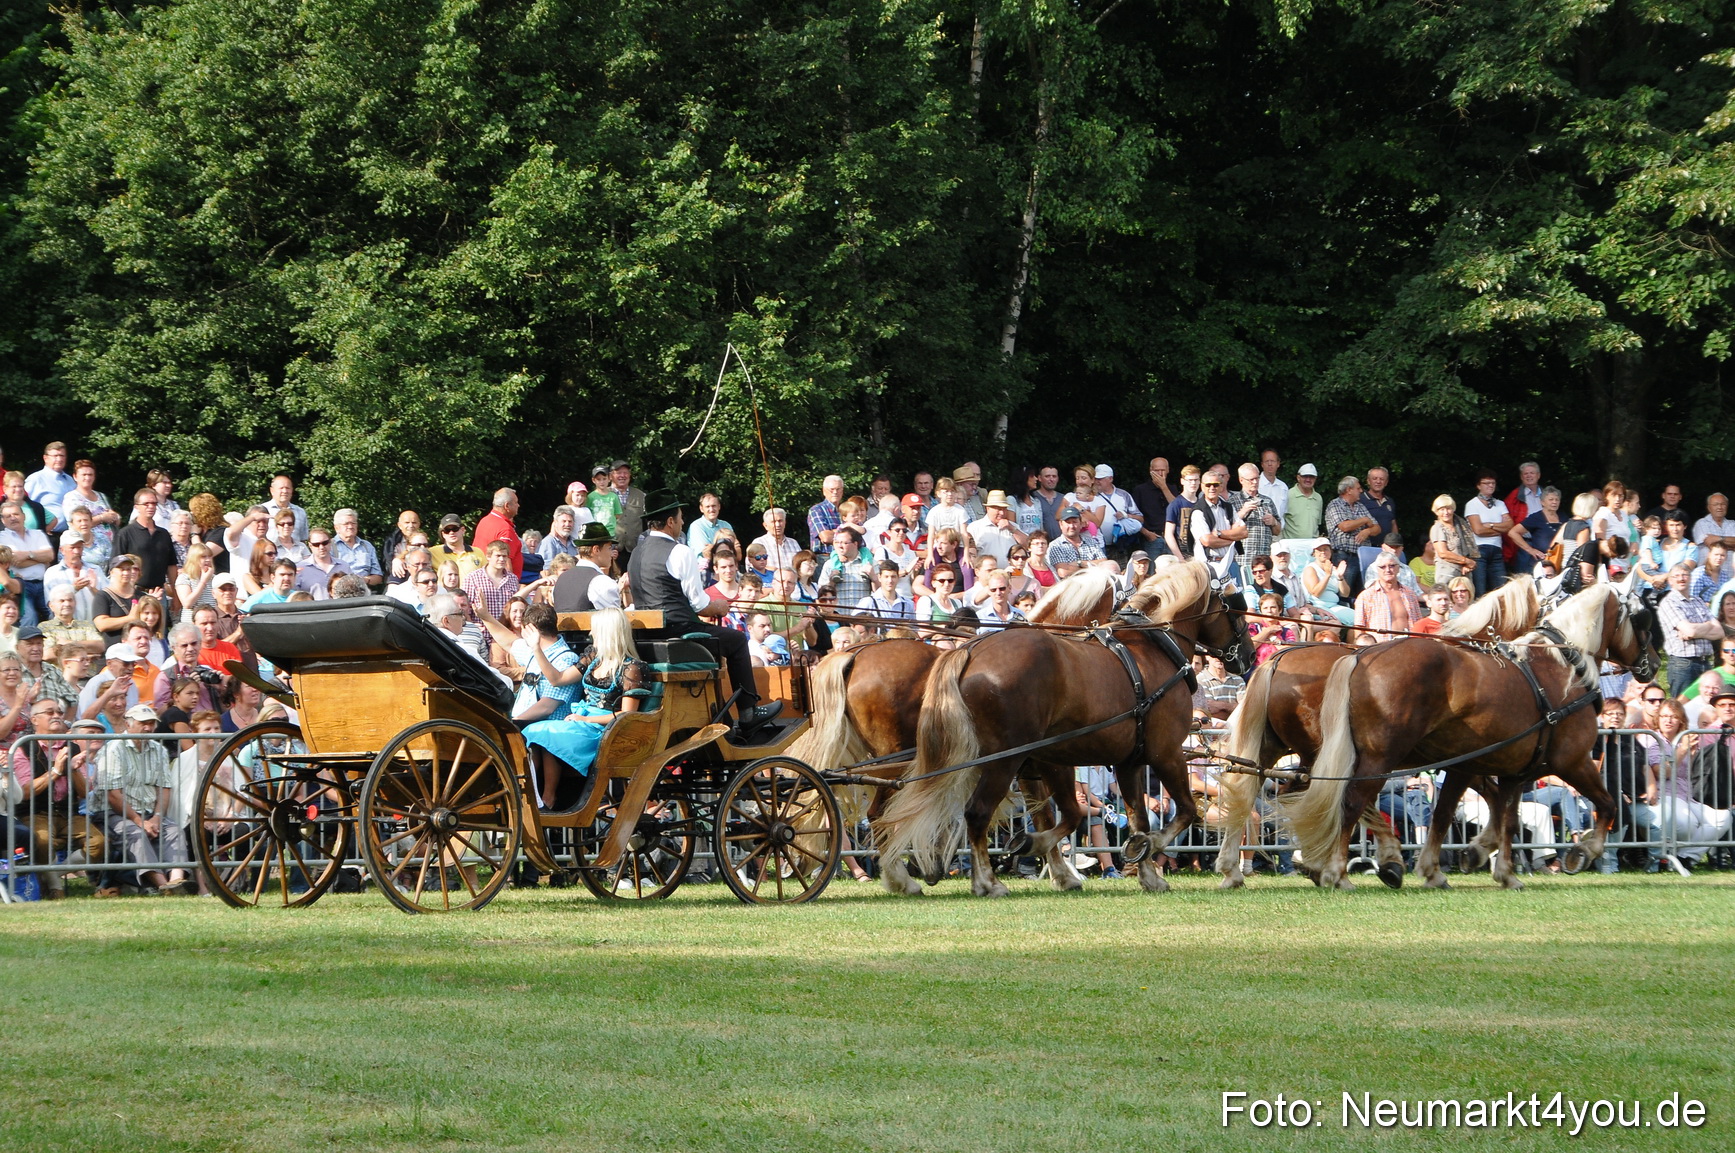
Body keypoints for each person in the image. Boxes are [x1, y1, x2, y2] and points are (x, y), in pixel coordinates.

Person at [626, 492, 781, 732]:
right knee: (738, 640)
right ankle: (748, 712)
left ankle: (721, 714)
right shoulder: (680, 551)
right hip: (679, 636)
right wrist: (719, 606)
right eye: (679, 518)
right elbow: (699, 604)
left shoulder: (636, 553)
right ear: (670, 521)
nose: (681, 522)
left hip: (647, 638)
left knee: (723, 639)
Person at [90, 703, 190, 894]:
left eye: (151, 723)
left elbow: (164, 788)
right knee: (135, 833)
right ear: (128, 725)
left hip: (150, 811)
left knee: (174, 830)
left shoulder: (158, 750)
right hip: (112, 813)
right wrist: (139, 821)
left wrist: (157, 818)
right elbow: (113, 795)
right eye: (143, 723)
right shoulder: (114, 749)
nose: (148, 727)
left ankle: (177, 881)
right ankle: (162, 885)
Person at [1658, 563, 1719, 696]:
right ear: (1670, 581)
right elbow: (1690, 631)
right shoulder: (1669, 602)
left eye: (1685, 575)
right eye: (1676, 576)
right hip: (1683, 666)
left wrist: (1695, 630)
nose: (1681, 578)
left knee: (1707, 707)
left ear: (1690, 578)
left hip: (1705, 663)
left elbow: (1719, 631)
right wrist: (1708, 626)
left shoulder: (1698, 601)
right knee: (1683, 710)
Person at [111, 488, 179, 596]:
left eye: (153, 503)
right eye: (146, 504)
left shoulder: (164, 534)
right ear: (136, 507)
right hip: (133, 592)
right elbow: (115, 565)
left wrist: (176, 595)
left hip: (160, 593)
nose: (151, 507)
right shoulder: (125, 533)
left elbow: (171, 566)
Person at [0, 499, 54, 626]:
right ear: (3, 521)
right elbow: (15, 561)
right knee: (29, 618)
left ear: (23, 516)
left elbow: (50, 555)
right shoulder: (2, 537)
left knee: (54, 613)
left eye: (16, 514)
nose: (13, 518)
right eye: (8, 516)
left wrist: (27, 555)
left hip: (43, 583)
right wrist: (41, 560)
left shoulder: (38, 534)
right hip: (21, 585)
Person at [1353, 555, 1424, 644]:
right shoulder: (1366, 596)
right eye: (1382, 567)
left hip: (1408, 647)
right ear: (1377, 570)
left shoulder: (1410, 594)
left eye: (1392, 566)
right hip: (1379, 649)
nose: (1387, 570)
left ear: (1398, 568)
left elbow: (1419, 623)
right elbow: (1359, 628)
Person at [1508, 486, 1565, 575]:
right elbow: (1513, 532)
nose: (1554, 502)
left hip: (1559, 561)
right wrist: (1531, 550)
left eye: (1557, 500)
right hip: (1541, 563)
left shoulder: (1564, 517)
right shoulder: (1536, 517)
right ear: (1542, 502)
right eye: (1551, 499)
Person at [470, 488, 525, 578]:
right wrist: (510, 586)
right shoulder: (504, 528)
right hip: (498, 583)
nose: (518, 505)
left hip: (482, 577)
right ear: (507, 506)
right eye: (516, 502)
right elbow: (505, 561)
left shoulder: (484, 521)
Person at [1300, 538, 1354, 628]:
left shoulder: (1334, 569)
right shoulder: (1310, 569)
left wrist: (1340, 577)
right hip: (1317, 607)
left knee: (1359, 618)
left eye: (1325, 549)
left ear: (1330, 551)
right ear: (1314, 553)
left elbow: (1345, 594)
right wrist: (1327, 575)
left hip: (1334, 605)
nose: (1323, 552)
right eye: (1319, 550)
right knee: (1340, 621)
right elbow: (1316, 592)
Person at [25, 442, 76, 533]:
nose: (59, 459)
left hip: (70, 535)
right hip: (48, 534)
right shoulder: (35, 479)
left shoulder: (70, 480)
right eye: (55, 456)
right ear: (45, 458)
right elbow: (25, 506)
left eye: (62, 455)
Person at [967, 490, 1026, 568]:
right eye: (998, 509)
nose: (1002, 513)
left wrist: (1012, 528)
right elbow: (970, 555)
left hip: (1012, 576)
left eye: (1004, 509)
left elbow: (1028, 545)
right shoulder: (975, 528)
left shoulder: (1013, 526)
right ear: (988, 508)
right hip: (988, 576)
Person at [293, 526, 352, 600]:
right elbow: (295, 597)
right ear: (310, 545)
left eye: (325, 543)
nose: (321, 547)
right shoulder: (300, 568)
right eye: (316, 544)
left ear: (330, 543)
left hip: (340, 609)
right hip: (313, 610)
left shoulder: (344, 566)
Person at [330, 508, 383, 589]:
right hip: (340, 591)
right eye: (346, 524)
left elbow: (378, 577)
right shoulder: (329, 546)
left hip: (365, 590)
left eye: (353, 523)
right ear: (337, 528)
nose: (350, 526)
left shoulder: (367, 546)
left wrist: (365, 580)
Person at [1047, 506, 1106, 579]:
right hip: (1070, 586)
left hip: (1094, 584)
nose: (1071, 526)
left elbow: (1104, 563)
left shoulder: (1092, 542)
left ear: (1081, 524)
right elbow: (1063, 572)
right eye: (1068, 523)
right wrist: (1092, 567)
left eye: (1074, 522)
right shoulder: (1055, 545)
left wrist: (1080, 563)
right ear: (1061, 524)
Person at [1131, 458, 1175, 555]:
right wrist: (1147, 534)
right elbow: (1133, 516)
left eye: (1162, 470)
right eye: (1156, 470)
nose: (1159, 474)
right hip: (1151, 539)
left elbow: (1176, 508)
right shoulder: (1140, 490)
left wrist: (1164, 487)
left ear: (1168, 470)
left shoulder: (1172, 488)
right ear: (1150, 471)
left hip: (1172, 539)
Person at [1280, 463, 1323, 541]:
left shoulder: (1318, 498)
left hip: (1312, 545)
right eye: (1305, 476)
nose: (1308, 479)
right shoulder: (1287, 495)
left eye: (1311, 477)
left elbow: (1317, 524)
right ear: (1298, 477)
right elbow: (1280, 521)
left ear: (1315, 479)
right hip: (1291, 545)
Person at [1691, 492, 1735, 563]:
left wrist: (1719, 538)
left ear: (1727, 506)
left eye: (1723, 504)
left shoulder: (1733, 524)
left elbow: (1715, 545)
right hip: (1708, 571)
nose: (1719, 507)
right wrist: (1732, 547)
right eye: (1715, 504)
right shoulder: (1701, 523)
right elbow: (1710, 543)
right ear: (1709, 508)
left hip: (1731, 572)